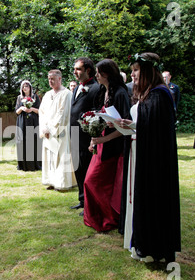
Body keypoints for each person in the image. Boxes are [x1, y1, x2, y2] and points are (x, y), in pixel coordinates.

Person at [115, 53, 181, 263]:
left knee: (152, 198)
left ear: (147, 71)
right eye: (132, 70)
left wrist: (132, 125)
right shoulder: (147, 94)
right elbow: (144, 123)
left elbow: (157, 131)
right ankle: (139, 242)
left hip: (153, 160)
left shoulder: (159, 95)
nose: (132, 74)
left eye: (136, 70)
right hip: (138, 152)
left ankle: (153, 246)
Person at [83, 59, 131, 232]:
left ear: (107, 73)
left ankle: (110, 218)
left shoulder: (120, 93)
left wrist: (104, 140)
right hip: (101, 143)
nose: (95, 75)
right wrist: (93, 140)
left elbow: (126, 126)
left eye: (98, 72)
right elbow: (98, 119)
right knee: (91, 181)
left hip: (114, 145)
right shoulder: (102, 91)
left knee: (99, 183)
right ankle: (99, 216)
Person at [70, 57, 101, 211]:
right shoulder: (76, 88)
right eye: (75, 69)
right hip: (74, 136)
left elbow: (96, 113)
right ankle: (82, 200)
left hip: (86, 138)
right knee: (78, 169)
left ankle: (90, 205)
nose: (75, 72)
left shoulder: (96, 88)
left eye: (78, 69)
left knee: (88, 172)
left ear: (88, 70)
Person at [39, 69, 76, 191]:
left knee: (61, 157)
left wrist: (52, 129)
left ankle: (61, 183)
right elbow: (42, 112)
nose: (50, 81)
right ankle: (51, 180)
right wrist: (44, 128)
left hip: (60, 131)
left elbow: (63, 115)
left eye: (53, 79)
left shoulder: (66, 94)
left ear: (60, 79)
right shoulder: (47, 95)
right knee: (49, 157)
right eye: (49, 79)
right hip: (47, 132)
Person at [15, 80, 42, 171]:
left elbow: (40, 111)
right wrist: (22, 108)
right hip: (22, 122)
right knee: (23, 142)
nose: (25, 88)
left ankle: (35, 164)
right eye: (23, 86)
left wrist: (32, 109)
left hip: (33, 122)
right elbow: (16, 112)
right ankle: (23, 165)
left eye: (27, 86)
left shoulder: (35, 97)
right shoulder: (19, 98)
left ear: (30, 87)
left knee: (34, 142)